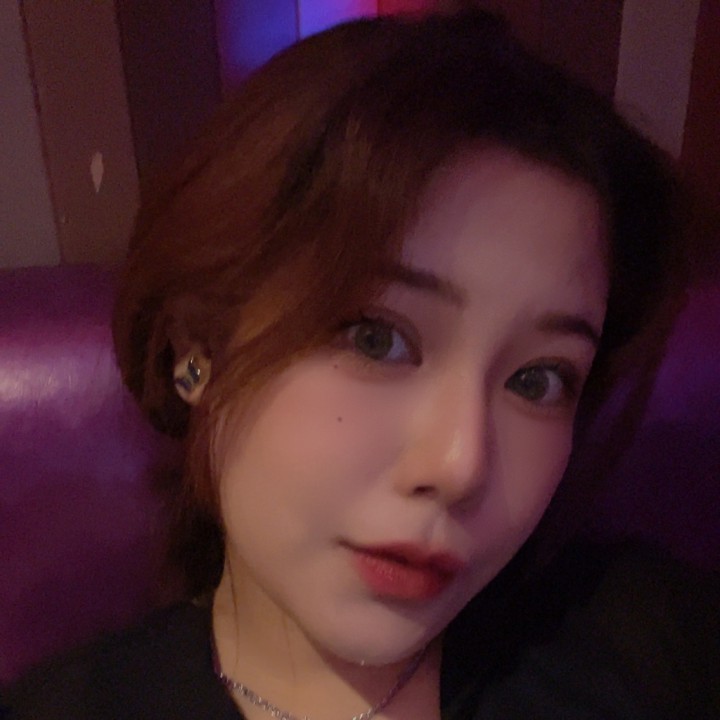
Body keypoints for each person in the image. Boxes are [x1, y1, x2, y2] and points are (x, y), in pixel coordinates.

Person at [4, 7, 718, 720]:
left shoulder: (652, 643)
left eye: (538, 379)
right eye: (377, 338)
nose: (460, 466)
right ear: (200, 347)